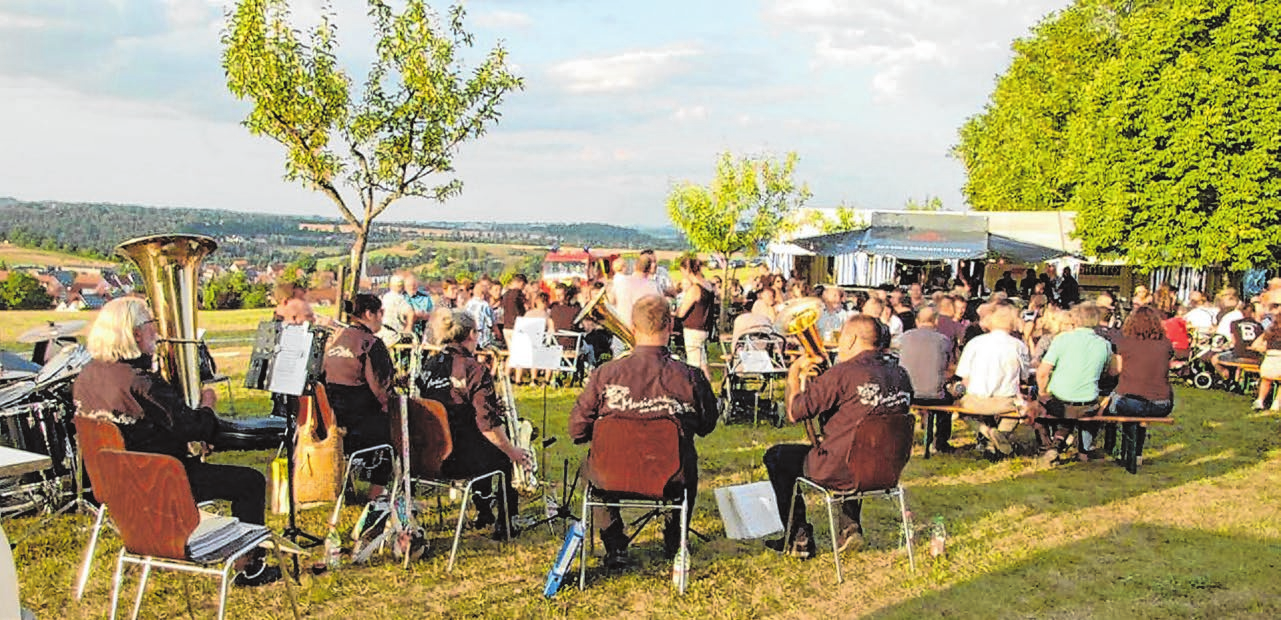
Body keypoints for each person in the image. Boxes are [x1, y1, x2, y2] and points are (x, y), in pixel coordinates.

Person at [73, 298, 280, 586]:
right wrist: (208, 405)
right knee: (250, 481)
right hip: (161, 482)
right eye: (151, 325)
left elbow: (134, 429)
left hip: (118, 486)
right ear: (135, 333)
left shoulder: (86, 376)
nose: (156, 333)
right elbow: (195, 426)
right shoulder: (140, 382)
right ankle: (249, 567)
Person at [569, 295, 718, 567]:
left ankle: (614, 544)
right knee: (688, 462)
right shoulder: (690, 376)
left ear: (633, 328)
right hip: (671, 477)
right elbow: (707, 426)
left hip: (610, 475)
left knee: (590, 470)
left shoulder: (605, 374)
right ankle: (675, 540)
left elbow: (577, 430)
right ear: (671, 325)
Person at [763, 314, 912, 558]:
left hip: (843, 468)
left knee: (778, 457)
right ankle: (850, 526)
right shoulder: (901, 373)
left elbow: (795, 412)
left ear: (852, 339)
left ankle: (798, 538)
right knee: (860, 444)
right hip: (888, 468)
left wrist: (794, 372)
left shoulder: (843, 373)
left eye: (841, 336)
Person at [416, 310, 531, 539]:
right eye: (478, 332)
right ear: (470, 334)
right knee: (501, 454)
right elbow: (487, 424)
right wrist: (513, 451)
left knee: (481, 443)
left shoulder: (428, 365)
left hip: (427, 456)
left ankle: (484, 511)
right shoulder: (474, 369)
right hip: (459, 459)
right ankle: (507, 522)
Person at [323, 293, 394, 498]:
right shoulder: (371, 343)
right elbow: (381, 390)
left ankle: (351, 483)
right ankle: (377, 491)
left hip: (333, 419)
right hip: (360, 423)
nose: (382, 317)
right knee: (394, 429)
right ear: (369, 313)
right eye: (381, 312)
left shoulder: (335, 339)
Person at [1034, 303, 1115, 463]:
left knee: (1039, 406)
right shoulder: (1104, 344)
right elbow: (1110, 371)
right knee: (1076, 412)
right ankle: (1067, 447)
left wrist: (1042, 393)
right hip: (1088, 404)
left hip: (1060, 401)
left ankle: (1049, 446)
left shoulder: (1061, 339)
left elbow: (1043, 372)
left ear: (1074, 319)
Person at [956, 304, 1031, 460]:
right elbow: (1025, 376)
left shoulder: (975, 343)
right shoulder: (1018, 346)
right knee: (1021, 409)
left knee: (960, 407)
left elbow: (964, 376)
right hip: (1005, 402)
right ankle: (1000, 436)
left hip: (975, 401)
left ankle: (986, 432)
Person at [1110, 305, 1175, 460]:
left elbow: (1115, 370)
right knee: (1137, 411)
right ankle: (1136, 454)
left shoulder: (1123, 343)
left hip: (1130, 402)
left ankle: (1115, 447)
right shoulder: (1165, 344)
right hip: (1162, 404)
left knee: (1115, 404)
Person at [899, 307, 957, 453]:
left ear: (917, 322)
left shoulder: (903, 338)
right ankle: (941, 442)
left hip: (906, 394)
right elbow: (949, 368)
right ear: (936, 321)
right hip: (934, 396)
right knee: (949, 399)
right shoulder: (943, 340)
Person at [676, 256, 716, 383]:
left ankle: (699, 394)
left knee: (694, 365)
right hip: (705, 328)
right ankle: (709, 392)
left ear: (687, 270)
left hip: (693, 329)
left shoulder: (695, 289)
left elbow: (681, 312)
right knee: (702, 363)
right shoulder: (708, 285)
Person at [1212, 301, 1263, 382]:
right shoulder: (1259, 326)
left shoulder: (1234, 323)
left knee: (1215, 359)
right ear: (1253, 313)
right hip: (1255, 357)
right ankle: (1240, 379)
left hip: (1239, 355)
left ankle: (1227, 378)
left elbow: (1234, 341)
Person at [1251, 319, 1281, 411]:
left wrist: (1265, 349)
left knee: (1266, 380)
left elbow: (1254, 346)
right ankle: (1276, 403)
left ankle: (1260, 400)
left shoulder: (1268, 333)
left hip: (1268, 361)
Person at [380, 274, 413, 340]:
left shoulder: (385, 297)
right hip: (394, 336)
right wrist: (408, 328)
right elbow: (410, 312)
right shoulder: (399, 299)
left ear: (390, 285)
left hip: (383, 334)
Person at [403, 274, 435, 341]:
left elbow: (433, 313)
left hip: (425, 330)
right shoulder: (401, 298)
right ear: (405, 287)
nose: (412, 287)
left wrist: (425, 315)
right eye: (409, 285)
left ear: (417, 285)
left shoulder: (425, 297)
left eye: (414, 285)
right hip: (408, 332)